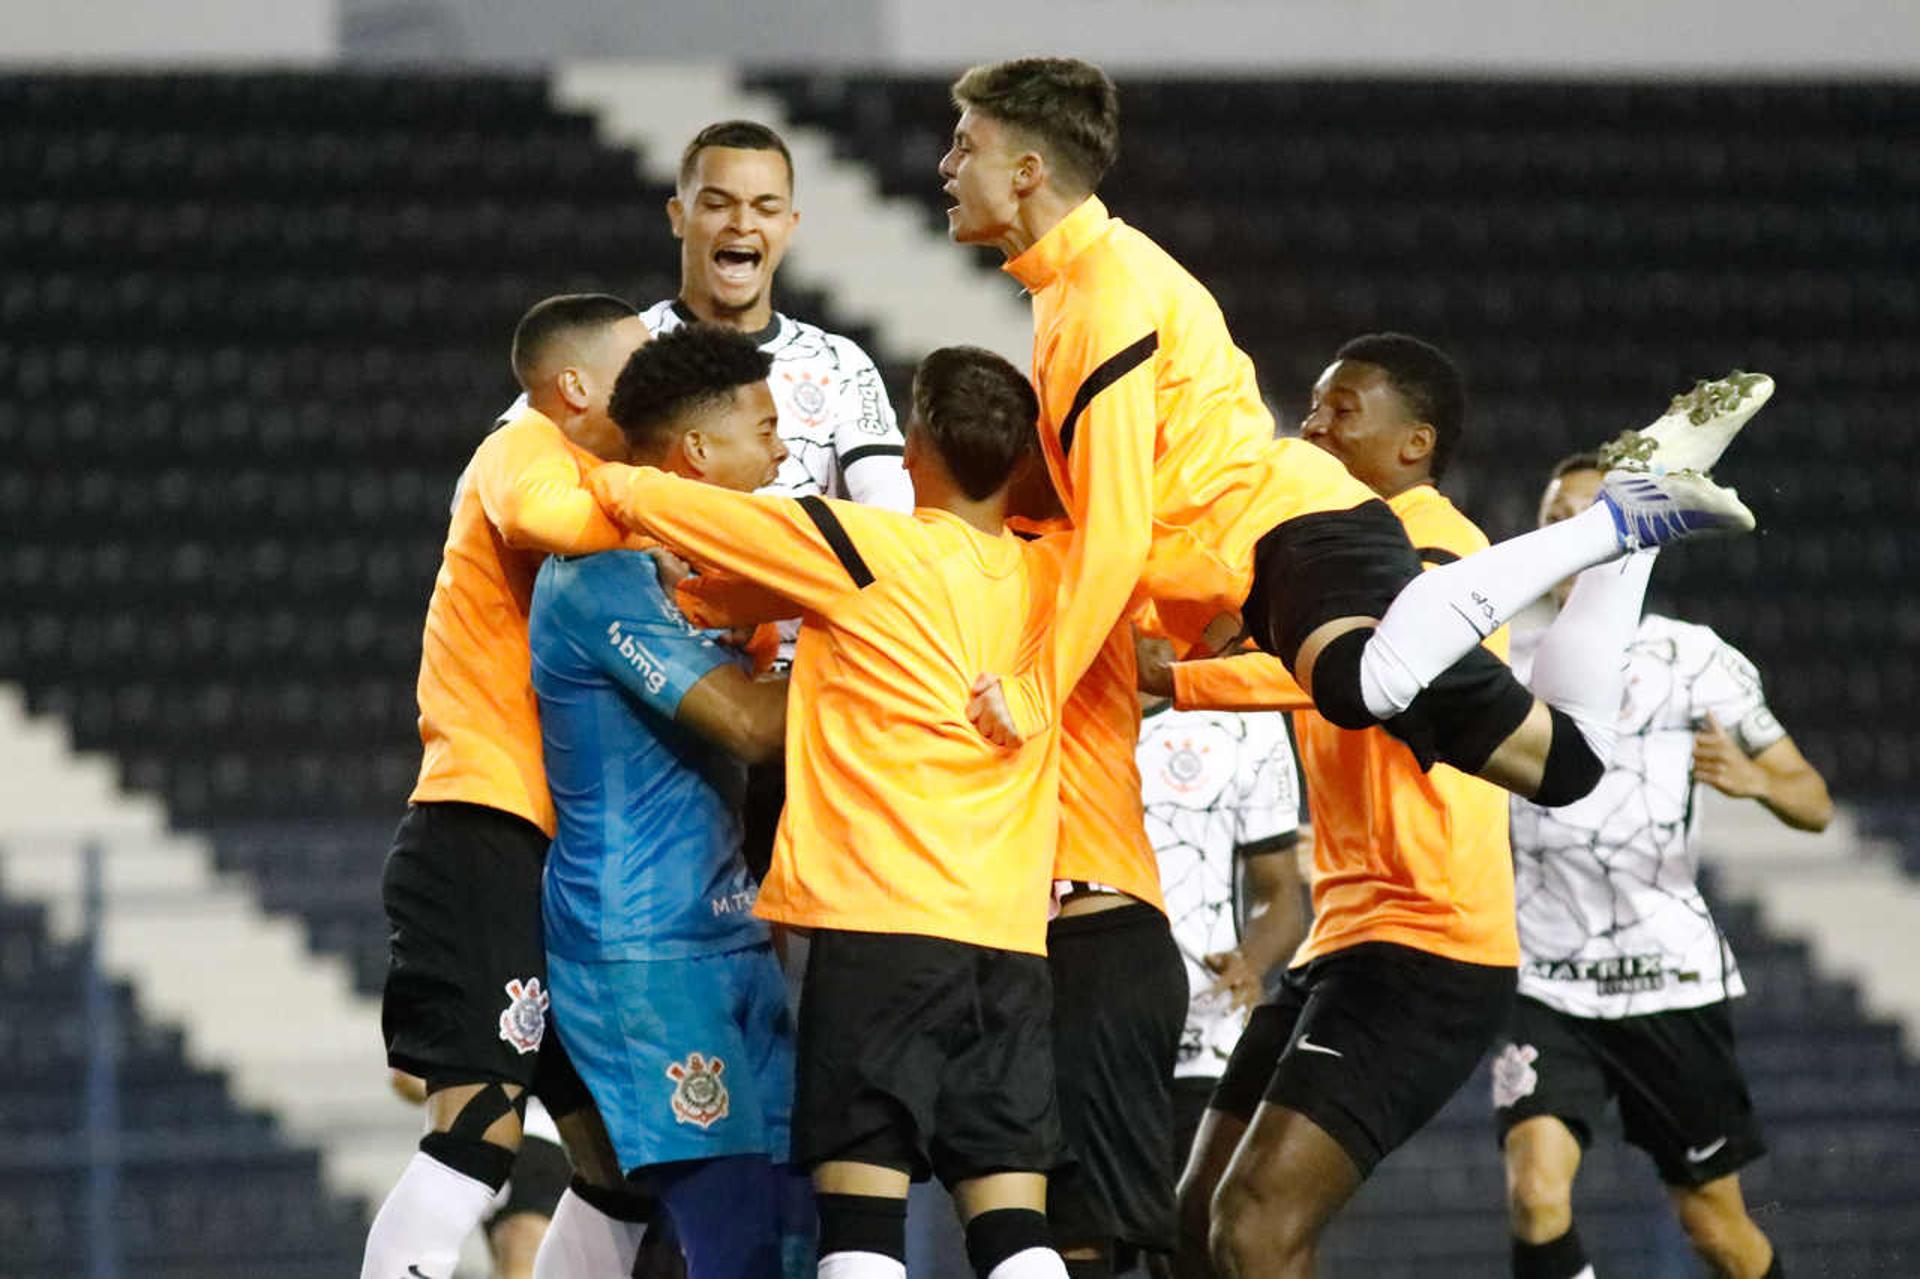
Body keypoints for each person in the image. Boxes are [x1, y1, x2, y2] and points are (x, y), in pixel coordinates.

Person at [938, 56, 1767, 821]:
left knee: (1360, 682)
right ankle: (1636, 530)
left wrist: (1038, 686)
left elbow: (1117, 532)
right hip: (1278, 550)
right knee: (1569, 764)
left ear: (1027, 172)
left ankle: (1618, 522)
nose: (946, 166)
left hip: (1289, 534)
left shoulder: (1099, 298)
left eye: (964, 145)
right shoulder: (1075, 288)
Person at [587, 336, 1075, 1279]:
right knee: (1015, 1230)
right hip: (1011, 942)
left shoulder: (860, 543)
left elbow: (658, 501)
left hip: (882, 926)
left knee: (860, 1225)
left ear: (914, 451)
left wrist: (565, 462)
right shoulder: (1053, 581)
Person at [1146, 334, 1536, 1277]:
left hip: (1429, 942)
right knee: (1199, 1227)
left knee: (1252, 1227)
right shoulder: (1324, 552)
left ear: (1414, 444)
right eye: (1312, 406)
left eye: (1342, 408)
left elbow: (1369, 674)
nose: (1312, 424)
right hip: (1351, 939)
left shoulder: (1441, 548)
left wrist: (1188, 679)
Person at [363, 295, 656, 1279]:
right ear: (577, 386)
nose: (656, 380)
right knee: (479, 1131)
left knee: (617, 1162)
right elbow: (540, 516)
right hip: (482, 825)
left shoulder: (604, 473)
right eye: (638, 362)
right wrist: (686, 517)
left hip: (558, 854)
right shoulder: (525, 445)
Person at [1493, 454, 1833, 1279]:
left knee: (1715, 1228)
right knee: (1537, 1194)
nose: (1571, 535)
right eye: (1555, 518)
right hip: (1544, 978)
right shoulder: (1503, 659)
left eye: (1590, 514)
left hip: (1667, 975)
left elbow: (1814, 799)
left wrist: (1754, 778)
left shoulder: (1694, 656)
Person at [528, 322, 804, 1278]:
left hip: (732, 929)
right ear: (696, 451)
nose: (781, 450)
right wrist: (887, 651)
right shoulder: (602, 578)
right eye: (765, 429)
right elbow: (752, 726)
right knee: (729, 1233)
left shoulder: (710, 569)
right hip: (641, 946)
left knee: (786, 1224)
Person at [643, 119, 911, 511]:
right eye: (718, 204)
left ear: (789, 226)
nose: (742, 224)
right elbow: (526, 479)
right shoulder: (623, 347)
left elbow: (893, 513)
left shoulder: (841, 364)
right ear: (678, 215)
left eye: (765, 208)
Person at [1133, 690, 1307, 1189]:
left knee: (1191, 1233)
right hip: (1086, 1029)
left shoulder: (1244, 716)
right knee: (1079, 1243)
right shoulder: (1059, 696)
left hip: (1206, 1034)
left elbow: (1279, 897)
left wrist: (1250, 962)